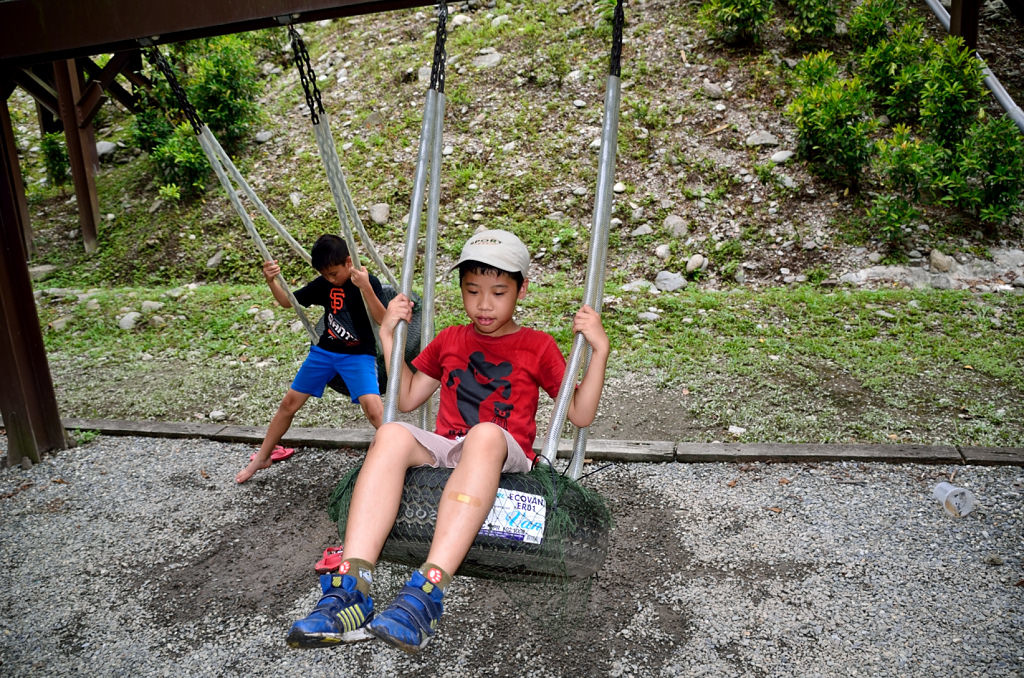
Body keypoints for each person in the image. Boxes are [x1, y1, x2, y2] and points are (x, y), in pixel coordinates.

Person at [285, 228, 610, 653]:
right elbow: (405, 399)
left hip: (505, 454)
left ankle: (426, 592)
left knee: (485, 434)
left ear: (521, 290)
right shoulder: (450, 340)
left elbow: (580, 414)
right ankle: (352, 585)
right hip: (450, 449)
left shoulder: (537, 346)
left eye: (497, 292)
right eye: (473, 291)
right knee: (391, 433)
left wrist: (598, 350)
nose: (484, 304)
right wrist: (387, 338)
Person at [236, 234, 387, 484]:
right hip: (324, 352)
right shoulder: (323, 284)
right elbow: (287, 302)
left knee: (374, 409)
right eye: (325, 274)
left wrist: (366, 287)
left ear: (349, 262)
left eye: (334, 273)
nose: (330, 279)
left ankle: (399, 456)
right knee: (289, 404)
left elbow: (382, 318)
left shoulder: (367, 281)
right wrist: (271, 280)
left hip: (359, 355)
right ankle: (263, 456)